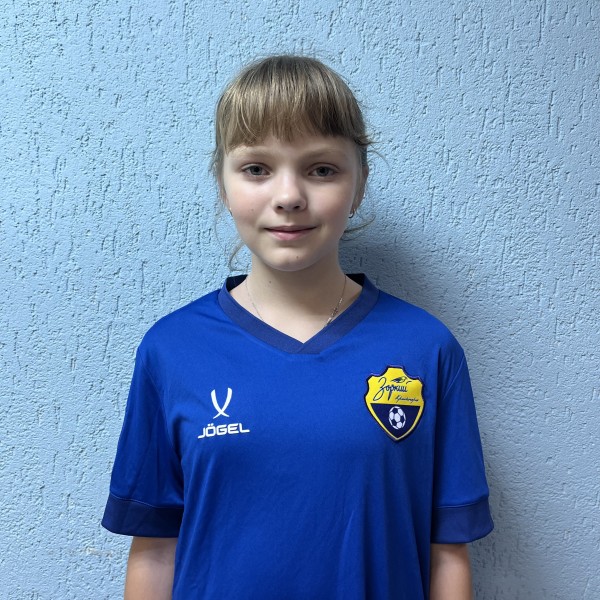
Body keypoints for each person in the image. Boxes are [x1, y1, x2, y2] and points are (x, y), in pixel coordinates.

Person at [102, 55, 493, 599]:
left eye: (321, 169)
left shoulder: (427, 349)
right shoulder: (171, 351)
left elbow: (447, 552)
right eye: (256, 169)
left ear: (359, 184)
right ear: (223, 184)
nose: (288, 196)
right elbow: (155, 550)